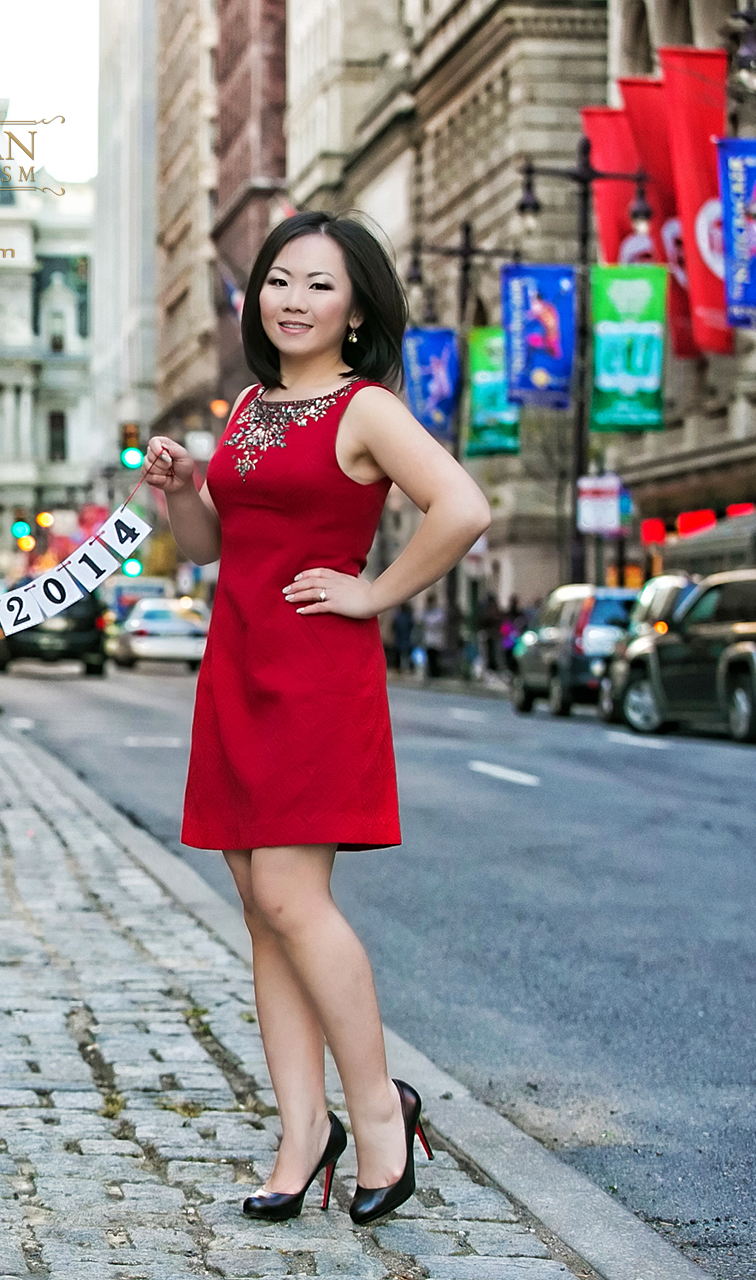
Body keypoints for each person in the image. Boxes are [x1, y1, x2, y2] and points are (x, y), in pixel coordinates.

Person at [142, 210, 491, 1226]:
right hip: (237, 661)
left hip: (314, 668)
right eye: (278, 281)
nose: (290, 299)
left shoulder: (367, 407)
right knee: (260, 907)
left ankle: (381, 1113)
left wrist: (374, 592)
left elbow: (462, 507)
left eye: (317, 285)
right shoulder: (248, 404)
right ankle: (302, 1132)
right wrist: (184, 489)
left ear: (355, 309)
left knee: (295, 896)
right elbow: (213, 544)